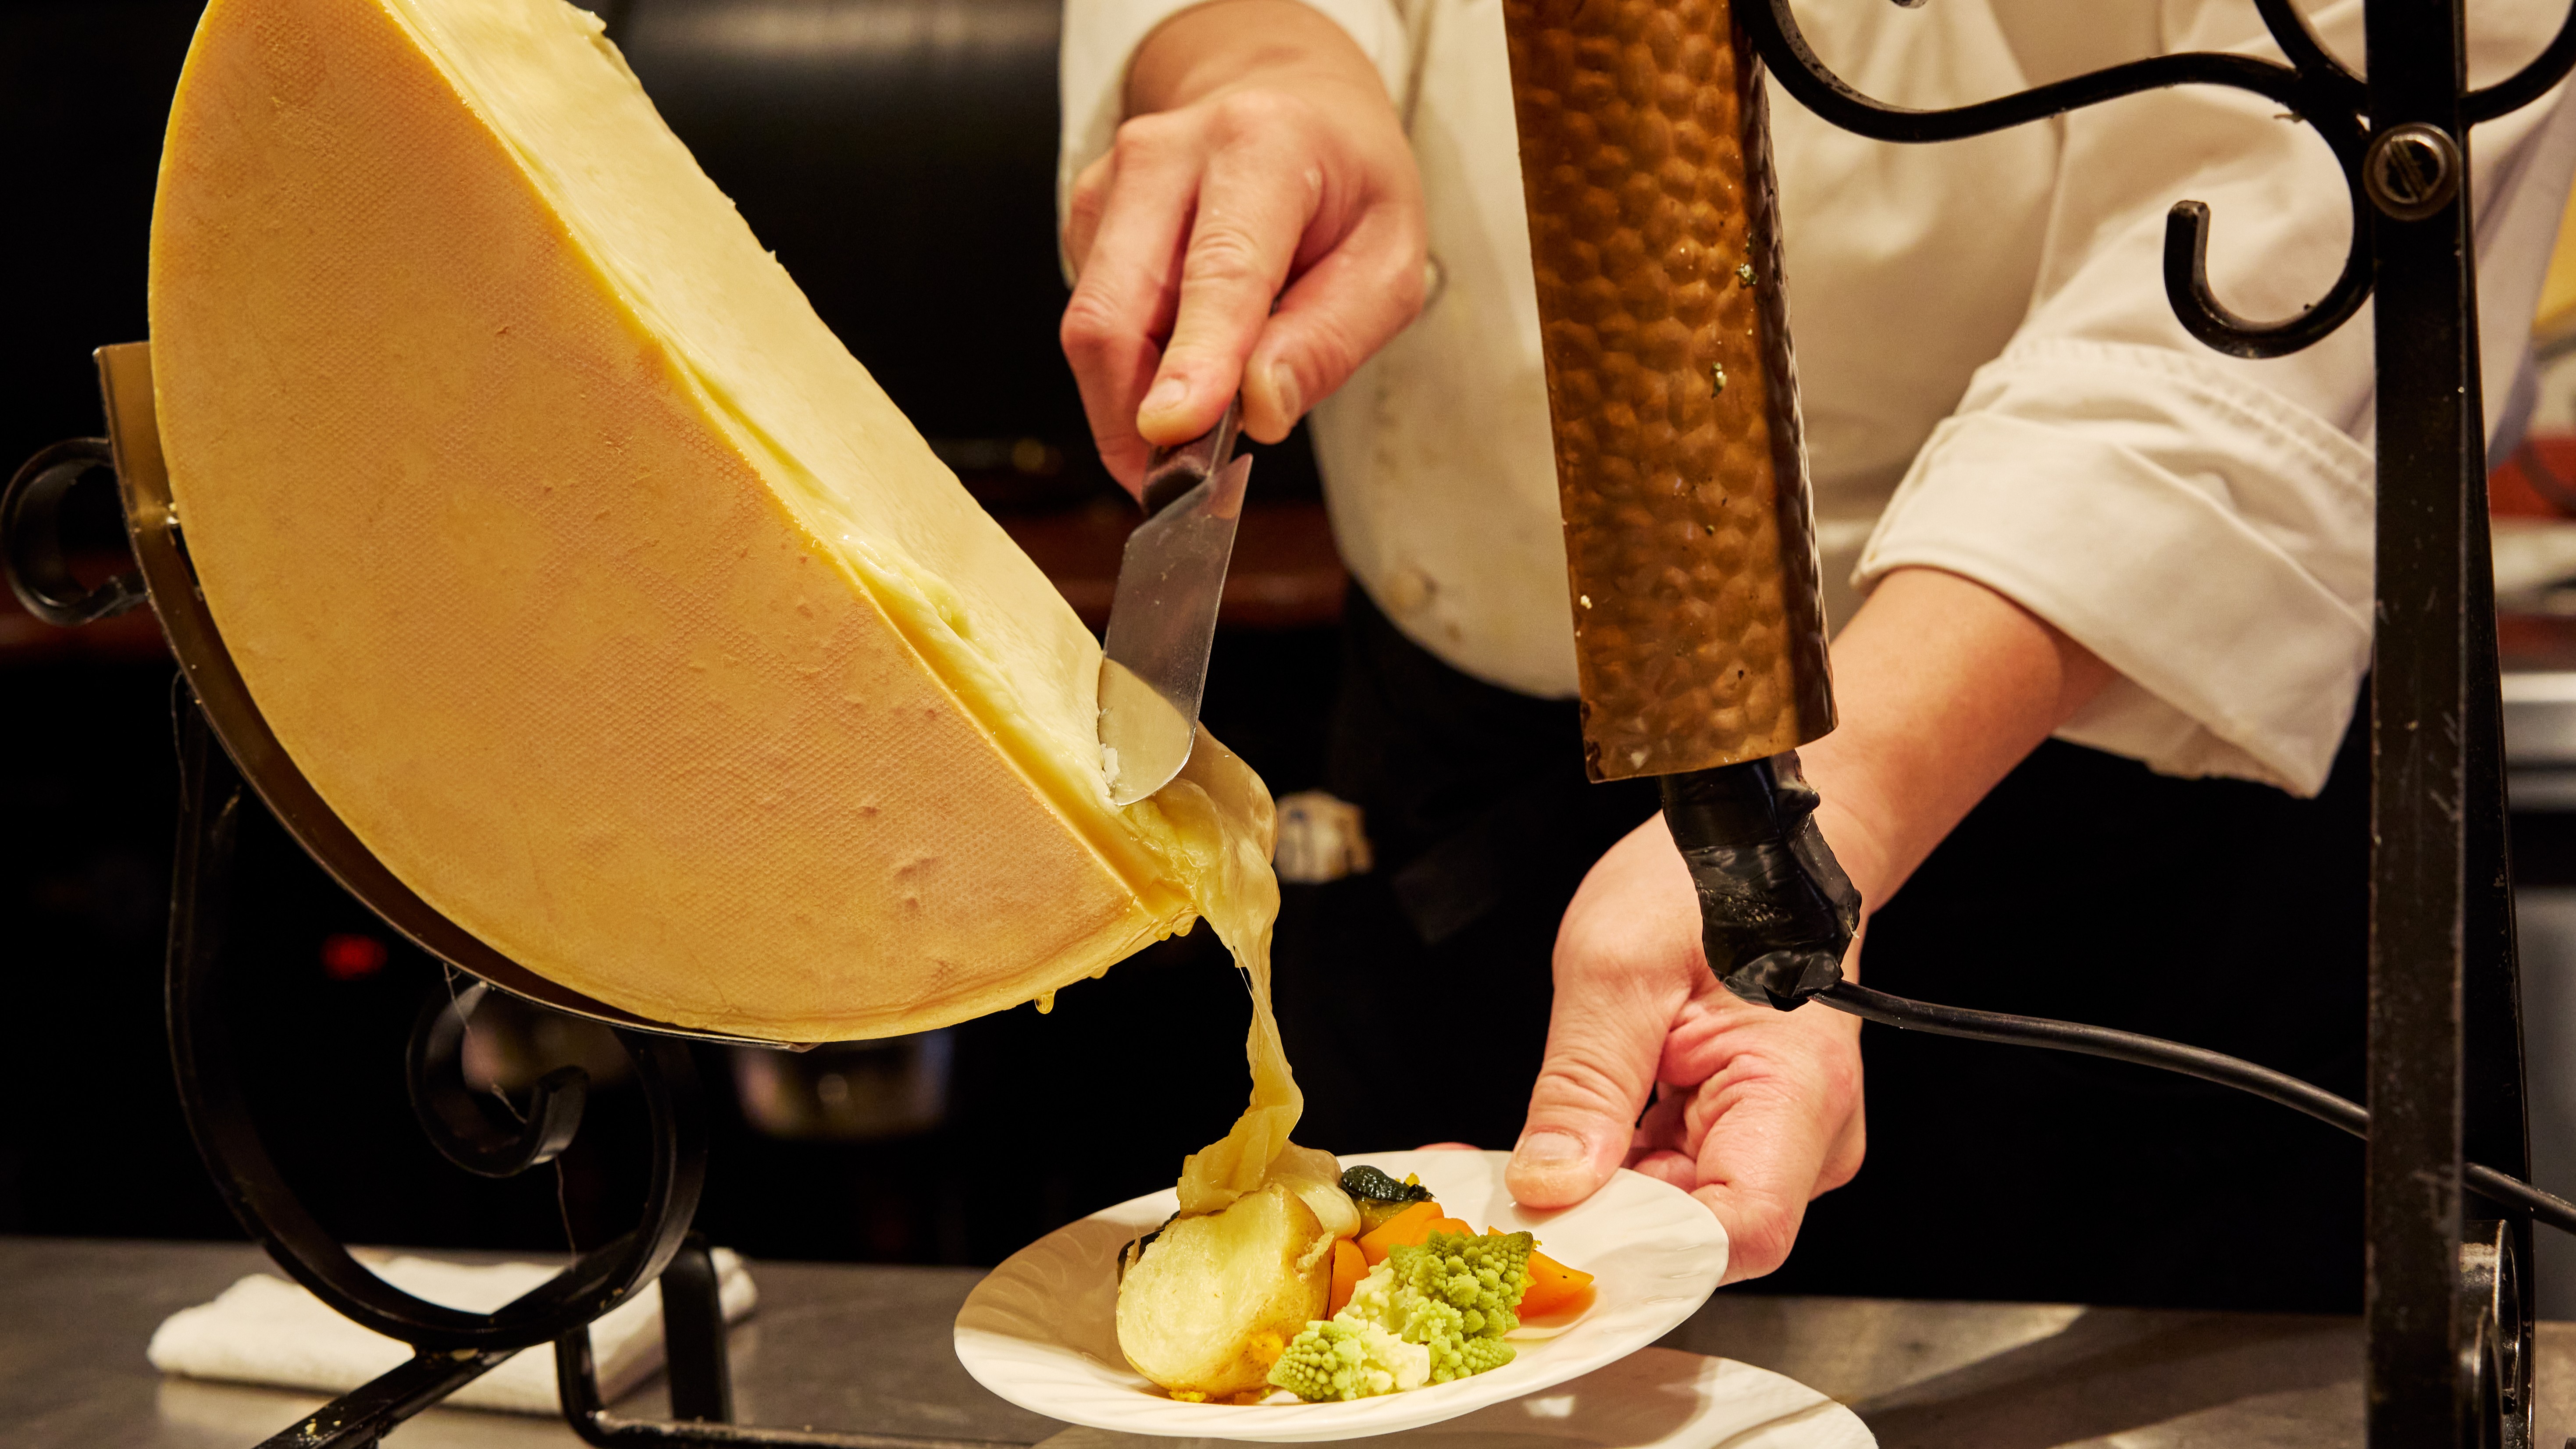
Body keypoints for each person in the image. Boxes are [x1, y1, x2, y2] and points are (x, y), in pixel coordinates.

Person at [1058, 0, 2576, 1307]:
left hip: (2108, 814)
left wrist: (1818, 827)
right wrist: (1261, 57)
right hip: (1453, 773)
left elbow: (2284, 240)